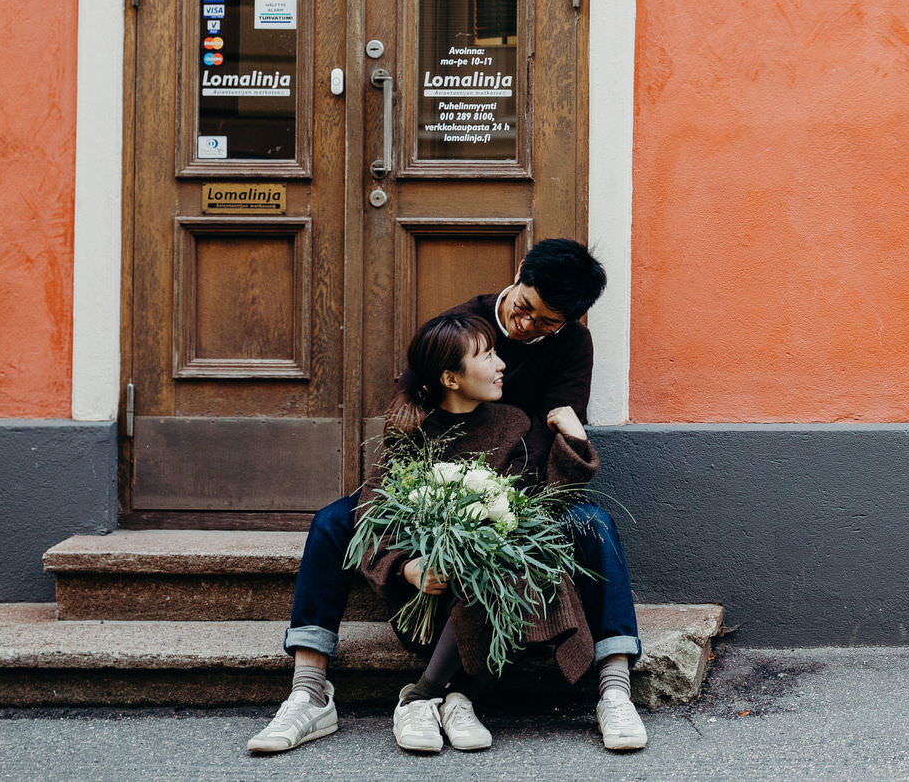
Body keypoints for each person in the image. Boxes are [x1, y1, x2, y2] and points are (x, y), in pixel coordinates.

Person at [247, 238, 648, 754]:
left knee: (592, 524)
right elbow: (404, 426)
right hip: (428, 482)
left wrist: (567, 447)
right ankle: (309, 690)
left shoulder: (570, 345)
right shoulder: (461, 329)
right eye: (526, 310)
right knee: (332, 521)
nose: (528, 328)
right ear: (520, 272)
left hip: (520, 482)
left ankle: (613, 687)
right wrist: (407, 554)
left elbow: (555, 442)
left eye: (548, 323)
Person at [356, 311, 607, 753]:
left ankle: (443, 696)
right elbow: (371, 515)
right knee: (489, 559)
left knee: (506, 553)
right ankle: (439, 696)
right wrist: (407, 568)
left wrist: (574, 444)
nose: (501, 364)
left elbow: (541, 504)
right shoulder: (411, 432)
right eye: (487, 355)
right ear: (451, 379)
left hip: (497, 598)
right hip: (428, 599)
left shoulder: (513, 424)